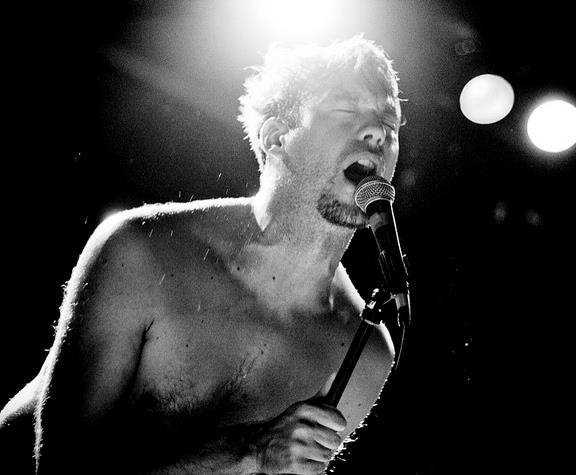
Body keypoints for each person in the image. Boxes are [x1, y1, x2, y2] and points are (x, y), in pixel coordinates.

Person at [0, 35, 404, 474]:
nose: (379, 132)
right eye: (346, 110)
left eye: (391, 122)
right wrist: (250, 452)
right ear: (277, 137)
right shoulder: (143, 249)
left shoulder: (365, 354)